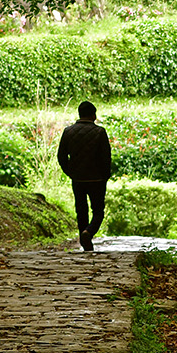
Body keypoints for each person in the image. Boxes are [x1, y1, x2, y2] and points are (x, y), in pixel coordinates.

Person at [57, 100, 112, 251]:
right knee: (98, 211)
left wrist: (70, 172)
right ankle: (89, 232)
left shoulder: (68, 131)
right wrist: (105, 175)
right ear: (93, 115)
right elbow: (106, 157)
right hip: (97, 179)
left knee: (81, 210)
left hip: (78, 179)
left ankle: (84, 238)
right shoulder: (100, 132)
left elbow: (61, 156)